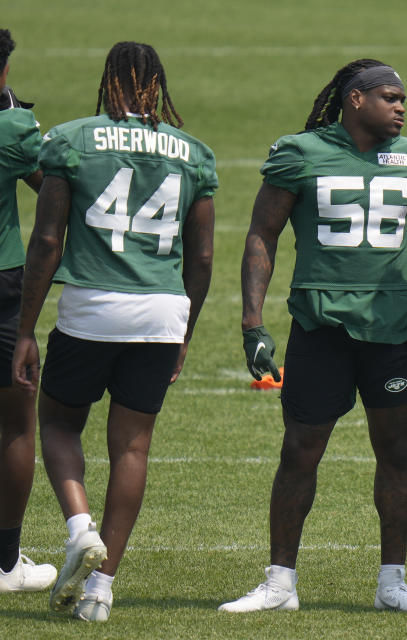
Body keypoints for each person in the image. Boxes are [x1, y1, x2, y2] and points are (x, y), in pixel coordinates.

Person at [219, 59, 407, 615]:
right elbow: (262, 234)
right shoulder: (300, 153)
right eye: (390, 97)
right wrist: (253, 321)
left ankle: (392, 582)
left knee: (395, 451)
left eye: (403, 99)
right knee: (299, 451)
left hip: (392, 330)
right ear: (354, 99)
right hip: (320, 326)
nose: (401, 107)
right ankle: (279, 583)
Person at [12, 41, 217, 622]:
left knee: (56, 421)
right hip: (161, 309)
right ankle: (102, 589)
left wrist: (26, 328)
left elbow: (48, 240)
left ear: (110, 82)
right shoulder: (193, 151)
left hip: (91, 307)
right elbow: (202, 259)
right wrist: (185, 330)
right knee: (132, 445)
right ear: (157, 86)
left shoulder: (74, 139)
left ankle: (80, 528)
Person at [0, 27, 56, 595]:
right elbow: (52, 189)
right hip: (2, 282)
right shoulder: (13, 128)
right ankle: (5, 564)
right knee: (13, 422)